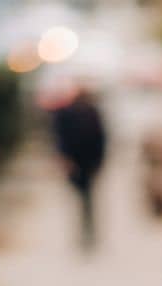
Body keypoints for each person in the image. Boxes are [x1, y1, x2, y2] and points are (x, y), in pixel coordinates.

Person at [50, 84, 107, 251]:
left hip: (85, 161)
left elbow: (100, 139)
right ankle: (86, 231)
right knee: (85, 198)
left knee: (85, 198)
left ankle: (87, 232)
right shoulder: (71, 113)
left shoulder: (90, 113)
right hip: (81, 161)